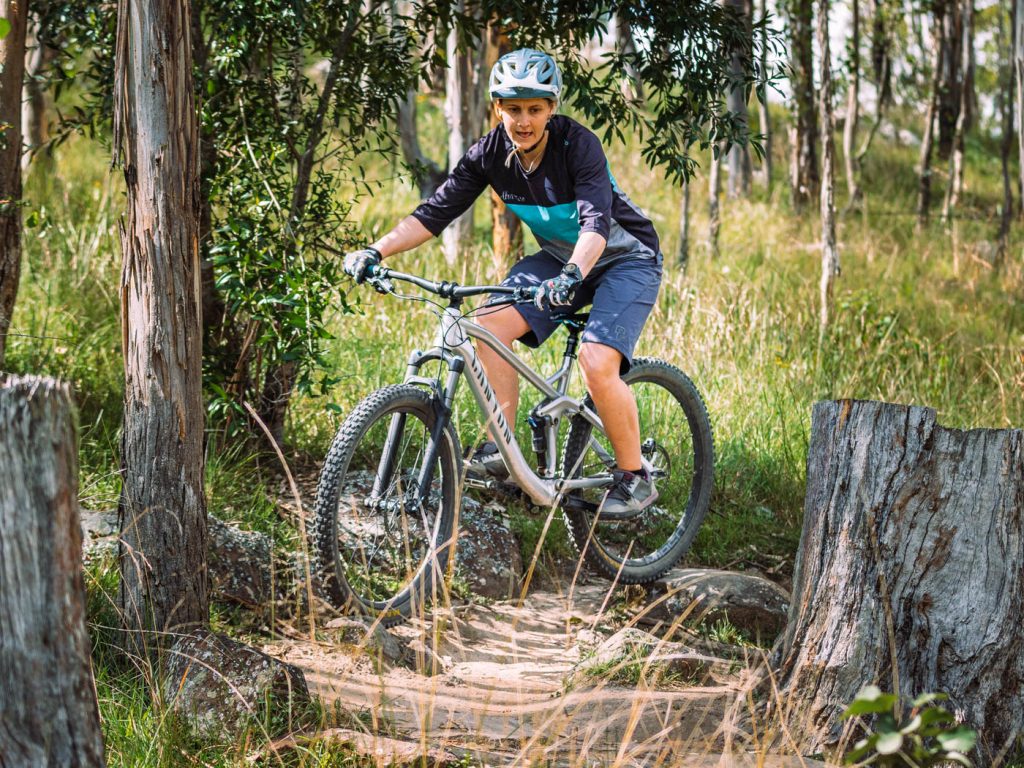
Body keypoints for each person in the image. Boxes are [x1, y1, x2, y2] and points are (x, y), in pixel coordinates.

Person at [343, 49, 663, 516]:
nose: (524, 120)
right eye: (513, 109)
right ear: (498, 108)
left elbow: (595, 226)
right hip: (559, 258)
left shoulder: (579, 146)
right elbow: (435, 214)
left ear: (552, 108)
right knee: (488, 324)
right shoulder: (489, 155)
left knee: (597, 361)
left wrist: (573, 276)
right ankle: (503, 451)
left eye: (535, 108)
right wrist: (376, 251)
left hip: (625, 259)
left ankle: (634, 477)